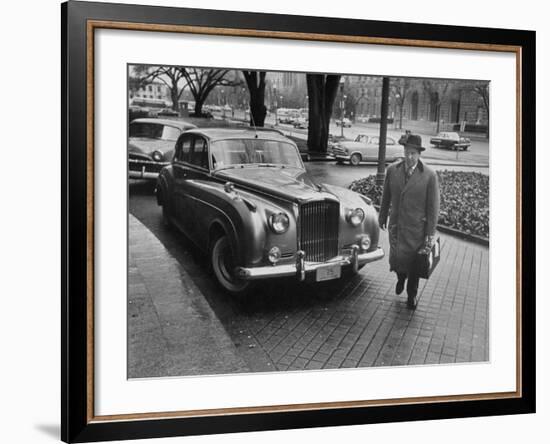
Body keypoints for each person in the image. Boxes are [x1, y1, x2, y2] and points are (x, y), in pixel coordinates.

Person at [378, 133, 440, 309]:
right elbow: (386, 197)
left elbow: (433, 208)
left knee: (414, 264)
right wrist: (382, 216)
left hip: (416, 230)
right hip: (397, 226)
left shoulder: (429, 176)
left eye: (413, 153)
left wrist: (429, 234)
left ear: (419, 154)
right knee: (398, 260)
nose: (409, 157)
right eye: (407, 152)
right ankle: (400, 277)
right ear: (404, 151)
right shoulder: (393, 170)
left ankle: (411, 295)